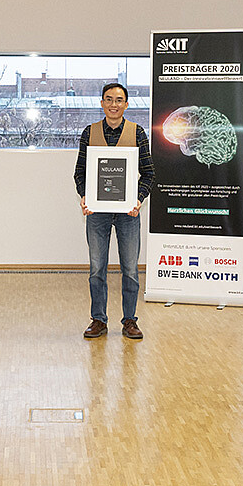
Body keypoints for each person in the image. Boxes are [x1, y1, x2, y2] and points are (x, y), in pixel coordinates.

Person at [74, 83, 154, 340]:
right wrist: (85, 196)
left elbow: (149, 173)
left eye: (119, 100)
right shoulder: (90, 133)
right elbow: (80, 173)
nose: (113, 104)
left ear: (126, 104)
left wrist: (139, 199)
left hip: (128, 212)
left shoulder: (137, 132)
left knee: (130, 268)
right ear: (101, 103)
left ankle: (130, 320)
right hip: (97, 212)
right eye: (108, 99)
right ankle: (98, 319)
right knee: (97, 268)